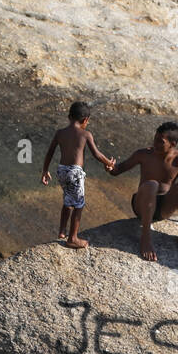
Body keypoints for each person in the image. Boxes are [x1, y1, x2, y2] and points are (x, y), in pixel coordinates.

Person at [107, 121, 178, 261]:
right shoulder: (143, 154)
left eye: (161, 141)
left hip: (163, 209)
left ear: (173, 144)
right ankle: (146, 237)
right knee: (152, 185)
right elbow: (118, 170)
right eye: (155, 139)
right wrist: (110, 167)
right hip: (142, 205)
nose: (155, 143)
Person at [40, 101, 115, 248]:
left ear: (69, 116)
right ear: (86, 120)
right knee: (79, 205)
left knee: (68, 201)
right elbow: (97, 154)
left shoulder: (60, 133)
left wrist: (45, 170)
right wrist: (109, 163)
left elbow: (50, 152)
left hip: (61, 171)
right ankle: (72, 238)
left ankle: (62, 231)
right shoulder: (85, 134)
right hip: (75, 172)